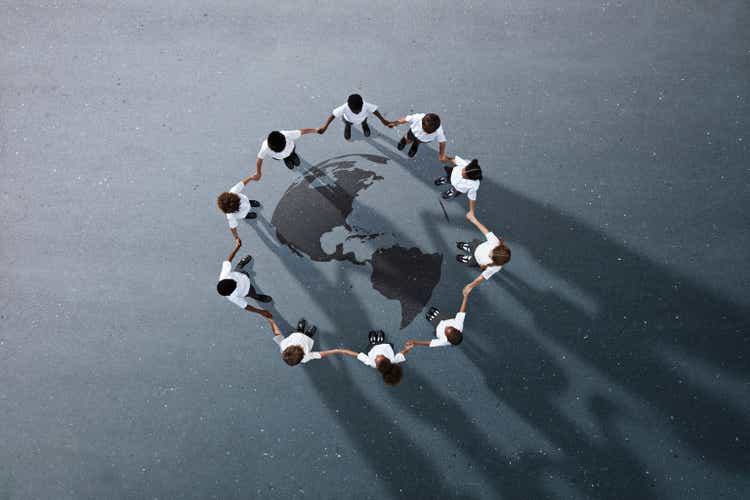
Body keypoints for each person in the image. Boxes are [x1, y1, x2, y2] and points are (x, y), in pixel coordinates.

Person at [458, 211, 511, 294]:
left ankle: (468, 257)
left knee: (471, 261)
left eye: (491, 257)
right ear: (498, 247)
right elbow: (485, 231)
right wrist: (474, 220)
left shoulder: (495, 267)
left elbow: (482, 277)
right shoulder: (495, 242)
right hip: (478, 246)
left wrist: (471, 285)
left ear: (496, 262)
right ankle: (468, 248)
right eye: (492, 251)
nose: (489, 254)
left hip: (477, 259)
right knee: (472, 246)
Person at [335, 330, 412, 386]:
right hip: (385, 346)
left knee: (372, 344)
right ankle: (380, 340)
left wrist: (342, 350)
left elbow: (356, 354)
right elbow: (402, 354)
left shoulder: (370, 362)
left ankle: (373, 342)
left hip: (373, 348)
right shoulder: (393, 360)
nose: (376, 357)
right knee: (383, 340)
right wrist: (407, 348)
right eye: (381, 357)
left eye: (376, 361)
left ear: (377, 366)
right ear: (389, 361)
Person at [216, 242, 273, 316]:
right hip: (247, 289)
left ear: (225, 280)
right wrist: (261, 312)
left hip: (241, 273)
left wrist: (237, 248)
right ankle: (257, 296)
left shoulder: (224, 276)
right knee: (253, 294)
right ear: (231, 291)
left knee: (238, 269)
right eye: (235, 284)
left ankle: (241, 264)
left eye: (232, 280)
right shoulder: (233, 297)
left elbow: (228, 261)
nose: (235, 281)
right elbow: (246, 306)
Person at [269, 318, 345, 366]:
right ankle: (308, 333)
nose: (300, 345)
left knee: (299, 333)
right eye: (301, 348)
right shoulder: (306, 358)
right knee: (307, 336)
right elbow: (319, 354)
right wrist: (335, 350)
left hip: (296, 335)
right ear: (302, 356)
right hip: (307, 340)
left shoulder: (283, 345)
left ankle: (300, 330)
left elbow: (277, 334)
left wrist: (271, 321)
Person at [317, 93, 391, 140]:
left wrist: (382, 120)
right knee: (348, 123)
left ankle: (364, 126)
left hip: (363, 119)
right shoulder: (344, 107)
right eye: (355, 111)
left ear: (362, 104)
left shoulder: (365, 105)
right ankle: (348, 127)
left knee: (364, 122)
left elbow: (375, 111)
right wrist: (325, 127)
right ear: (349, 106)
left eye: (359, 110)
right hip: (348, 120)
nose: (358, 112)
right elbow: (333, 115)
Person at [252, 128, 318, 179]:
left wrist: (316, 130)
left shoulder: (287, 134)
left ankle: (292, 156)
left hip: (291, 151)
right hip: (282, 157)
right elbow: (259, 160)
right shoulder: (265, 147)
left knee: (296, 162)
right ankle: (286, 159)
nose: (283, 151)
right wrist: (258, 172)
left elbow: (302, 131)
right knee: (292, 164)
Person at [217, 173, 262, 244]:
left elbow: (242, 184)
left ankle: (250, 203)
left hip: (247, 201)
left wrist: (251, 178)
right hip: (243, 213)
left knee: (248, 202)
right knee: (245, 214)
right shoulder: (231, 216)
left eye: (238, 200)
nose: (240, 203)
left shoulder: (233, 191)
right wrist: (236, 237)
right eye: (238, 204)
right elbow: (233, 227)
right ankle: (247, 215)